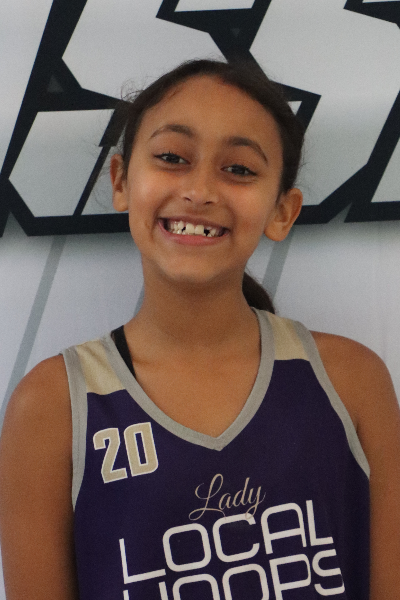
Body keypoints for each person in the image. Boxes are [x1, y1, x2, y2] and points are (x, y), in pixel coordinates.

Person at [0, 59, 399, 600]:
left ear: (282, 211)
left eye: (239, 169)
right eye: (172, 158)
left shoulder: (351, 380)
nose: (200, 189)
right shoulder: (52, 406)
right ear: (120, 180)